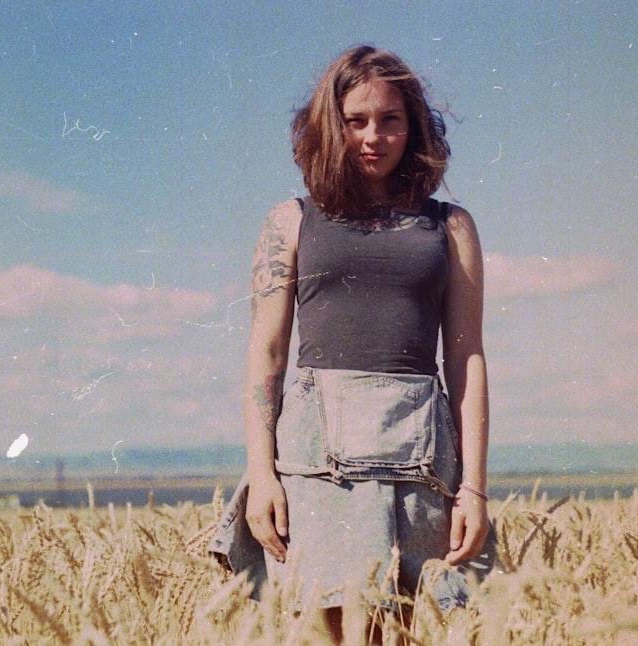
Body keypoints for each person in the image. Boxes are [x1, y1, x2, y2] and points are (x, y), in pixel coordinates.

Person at [210, 45, 496, 639]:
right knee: (326, 627)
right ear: (328, 125)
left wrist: (474, 488)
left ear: (414, 127)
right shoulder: (290, 221)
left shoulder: (451, 225)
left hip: (418, 457)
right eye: (355, 120)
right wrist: (261, 475)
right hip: (315, 461)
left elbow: (466, 358)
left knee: (407, 627)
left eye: (390, 119)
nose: (373, 136)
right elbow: (267, 355)